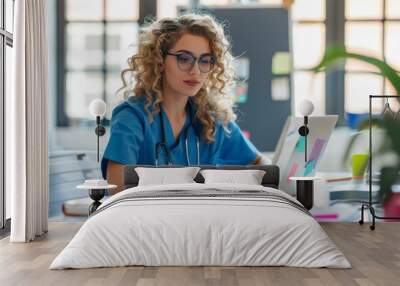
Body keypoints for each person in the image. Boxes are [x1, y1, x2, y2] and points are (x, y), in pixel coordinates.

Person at [102, 13, 268, 195]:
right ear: (160, 61)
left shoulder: (213, 120)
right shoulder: (132, 116)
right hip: (148, 220)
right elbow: (117, 190)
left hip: (202, 220)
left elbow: (263, 167)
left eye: (205, 60)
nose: (195, 70)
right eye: (184, 58)